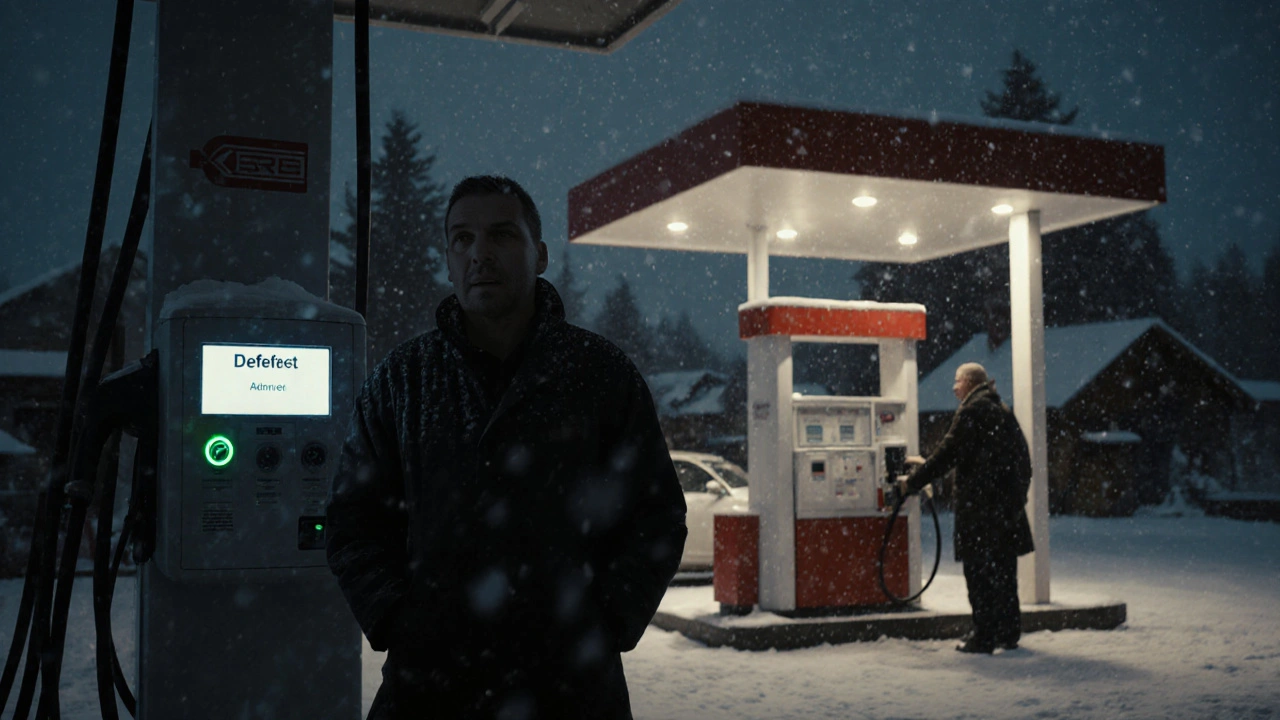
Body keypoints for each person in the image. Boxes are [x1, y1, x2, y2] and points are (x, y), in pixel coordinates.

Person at [326, 175, 688, 719]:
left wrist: (605, 621)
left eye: (501, 235)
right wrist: (400, 620)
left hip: (571, 692)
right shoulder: (402, 381)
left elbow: (656, 516)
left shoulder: (600, 376)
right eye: (462, 239)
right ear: (448, 259)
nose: (479, 254)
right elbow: (352, 521)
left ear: (538, 253)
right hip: (430, 690)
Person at [900, 362, 1034, 654]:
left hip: (980, 513)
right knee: (1004, 574)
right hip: (1006, 514)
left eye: (958, 381)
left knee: (979, 574)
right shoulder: (1003, 410)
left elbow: (947, 453)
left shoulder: (972, 411)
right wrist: (1014, 500)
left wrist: (913, 482)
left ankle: (983, 635)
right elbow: (1024, 462)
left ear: (971, 383)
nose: (953, 387)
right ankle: (1008, 632)